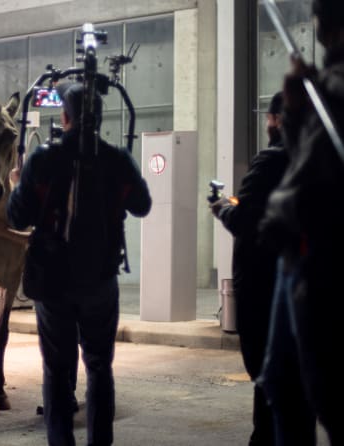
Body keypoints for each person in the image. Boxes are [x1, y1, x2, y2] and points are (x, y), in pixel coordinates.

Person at [6, 82, 151, 446]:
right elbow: (142, 205)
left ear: (64, 117)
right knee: (100, 365)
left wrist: (16, 184)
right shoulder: (117, 159)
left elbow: (18, 217)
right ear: (100, 119)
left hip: (53, 281)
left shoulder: (43, 159)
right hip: (100, 279)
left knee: (57, 370)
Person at [258, 1, 344, 444]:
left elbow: (307, 174)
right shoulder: (324, 86)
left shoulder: (333, 84)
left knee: (307, 389)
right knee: (284, 381)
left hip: (314, 258)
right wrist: (296, 110)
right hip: (304, 253)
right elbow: (304, 158)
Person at [209, 92, 290, 446]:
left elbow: (244, 219)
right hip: (303, 286)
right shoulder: (322, 157)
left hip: (262, 287)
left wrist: (223, 206)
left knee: (266, 374)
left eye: (270, 118)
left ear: (277, 120)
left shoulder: (271, 159)